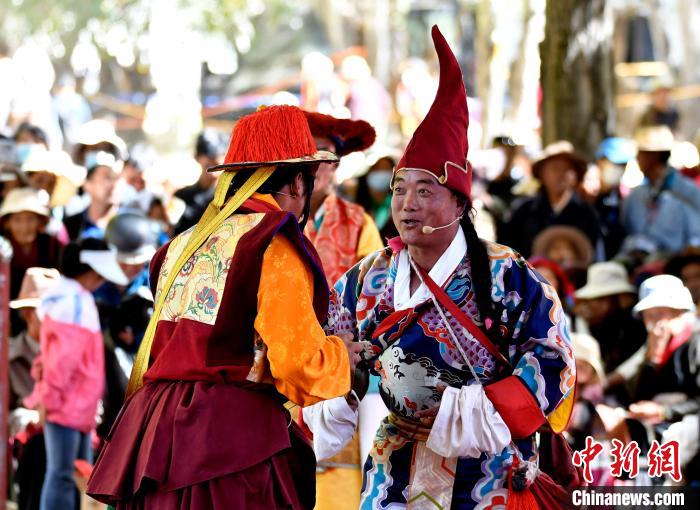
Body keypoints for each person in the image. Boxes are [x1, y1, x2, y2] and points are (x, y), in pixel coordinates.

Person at [303, 27, 577, 509]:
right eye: (400, 189)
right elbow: (330, 351)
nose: (407, 204)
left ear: (459, 203)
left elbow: (552, 359)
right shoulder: (367, 278)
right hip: (393, 463)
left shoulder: (506, 276)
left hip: (486, 467)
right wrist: (344, 377)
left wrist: (466, 409)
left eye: (425, 190)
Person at [87, 105, 363, 509]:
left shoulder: (179, 245)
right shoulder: (273, 243)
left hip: (158, 436)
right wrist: (342, 357)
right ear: (299, 184)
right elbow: (299, 364)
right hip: (228, 443)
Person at [23, 238, 128, 510]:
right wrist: (50, 401)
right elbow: (62, 362)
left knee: (78, 477)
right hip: (67, 406)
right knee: (62, 475)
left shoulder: (70, 298)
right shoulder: (74, 302)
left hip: (74, 406)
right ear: (90, 272)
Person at [303, 110, 383, 286]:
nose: (312, 163)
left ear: (335, 164)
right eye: (304, 153)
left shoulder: (359, 222)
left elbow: (374, 288)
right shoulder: (272, 215)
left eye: (323, 153)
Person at [8, 267, 60, 510]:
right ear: (29, 314)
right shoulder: (7, 357)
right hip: (26, 451)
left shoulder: (73, 351)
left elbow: (95, 407)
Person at [501, 141, 602, 259]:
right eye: (555, 168)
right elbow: (508, 251)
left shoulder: (587, 214)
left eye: (567, 169)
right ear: (542, 174)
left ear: (576, 176)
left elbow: (595, 255)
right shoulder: (524, 211)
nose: (561, 174)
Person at [621, 125, 700, 254]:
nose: (637, 158)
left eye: (640, 153)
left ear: (654, 156)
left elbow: (696, 238)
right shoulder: (635, 195)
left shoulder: (688, 192)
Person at [573, 262, 646, 375]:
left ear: (619, 299)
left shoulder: (636, 325)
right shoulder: (588, 323)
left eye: (600, 299)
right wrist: (582, 323)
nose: (591, 305)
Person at [0, 187, 62, 304]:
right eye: (17, 220)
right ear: (7, 223)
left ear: (40, 221)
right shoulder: (2, 248)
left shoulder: (52, 245)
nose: (24, 227)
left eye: (30, 219)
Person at [173, 130, 224, 234]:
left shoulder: (229, 198)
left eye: (218, 155)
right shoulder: (181, 197)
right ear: (197, 157)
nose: (213, 160)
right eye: (207, 155)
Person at [63, 152, 120, 240]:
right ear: (87, 185)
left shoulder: (129, 226)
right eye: (107, 178)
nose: (114, 184)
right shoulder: (69, 226)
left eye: (117, 178)